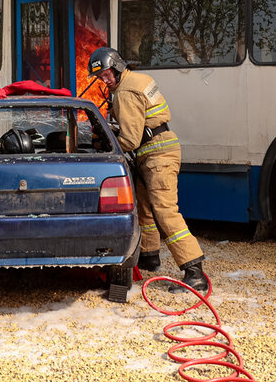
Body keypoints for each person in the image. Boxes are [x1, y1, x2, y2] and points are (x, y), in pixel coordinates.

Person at [88, 47, 209, 292]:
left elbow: (130, 140)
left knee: (165, 210)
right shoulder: (139, 79)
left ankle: (194, 271)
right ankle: (149, 256)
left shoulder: (126, 91)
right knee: (144, 205)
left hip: (157, 153)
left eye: (107, 74)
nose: (105, 80)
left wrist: (106, 145)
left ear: (117, 66)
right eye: (100, 77)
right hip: (155, 150)